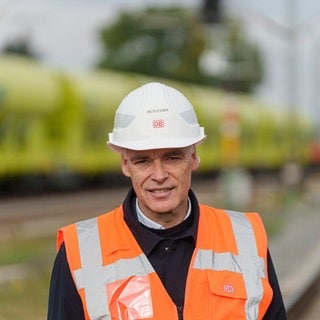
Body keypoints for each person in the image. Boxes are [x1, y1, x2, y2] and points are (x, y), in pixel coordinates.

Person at [47, 82, 287, 319]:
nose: (159, 175)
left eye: (172, 158)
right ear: (125, 164)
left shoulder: (245, 239)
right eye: (143, 161)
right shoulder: (81, 252)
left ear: (193, 158)